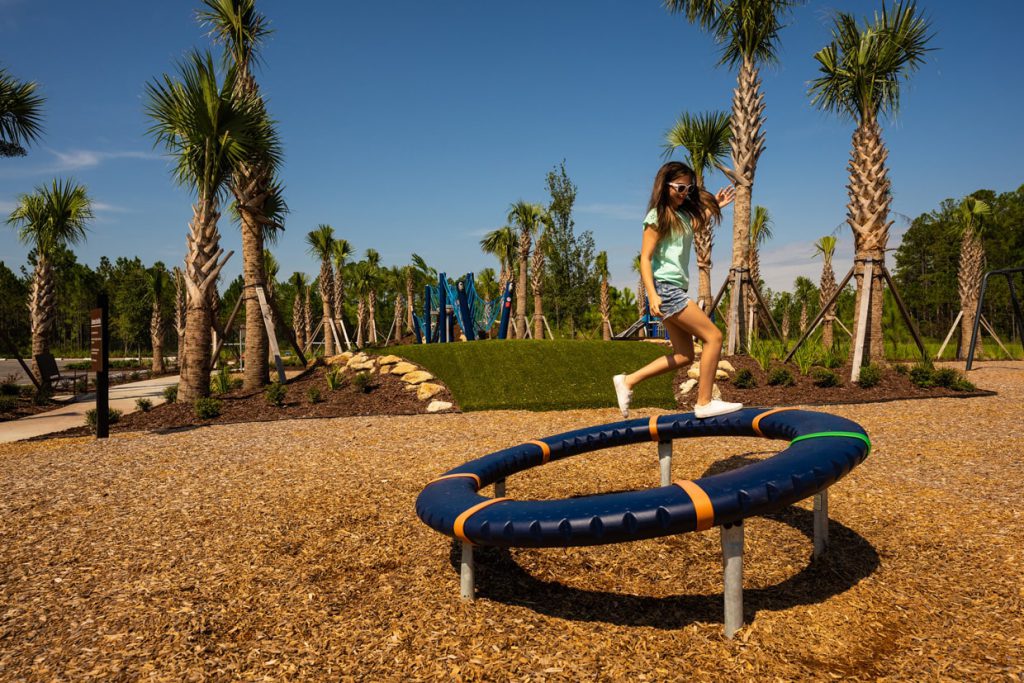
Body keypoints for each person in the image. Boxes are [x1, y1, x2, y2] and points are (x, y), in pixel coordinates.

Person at [613, 160, 742, 419]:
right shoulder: (656, 216)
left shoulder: (682, 216)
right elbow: (645, 258)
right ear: (665, 186)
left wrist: (714, 205)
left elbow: (691, 228)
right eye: (680, 188)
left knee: (683, 355)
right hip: (666, 288)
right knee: (714, 337)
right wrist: (652, 294)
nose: (685, 194)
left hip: (675, 289)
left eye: (689, 189)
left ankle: (627, 381)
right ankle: (704, 403)